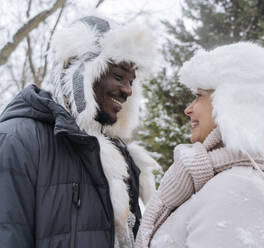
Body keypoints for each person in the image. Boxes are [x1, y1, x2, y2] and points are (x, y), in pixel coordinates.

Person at [135, 42, 264, 248]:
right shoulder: (226, 179)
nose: (188, 109)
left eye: (199, 96)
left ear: (235, 103)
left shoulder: (238, 188)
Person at [0, 15, 160, 248]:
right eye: (118, 75)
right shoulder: (17, 139)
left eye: (131, 81)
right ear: (81, 73)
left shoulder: (121, 158)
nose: (127, 90)